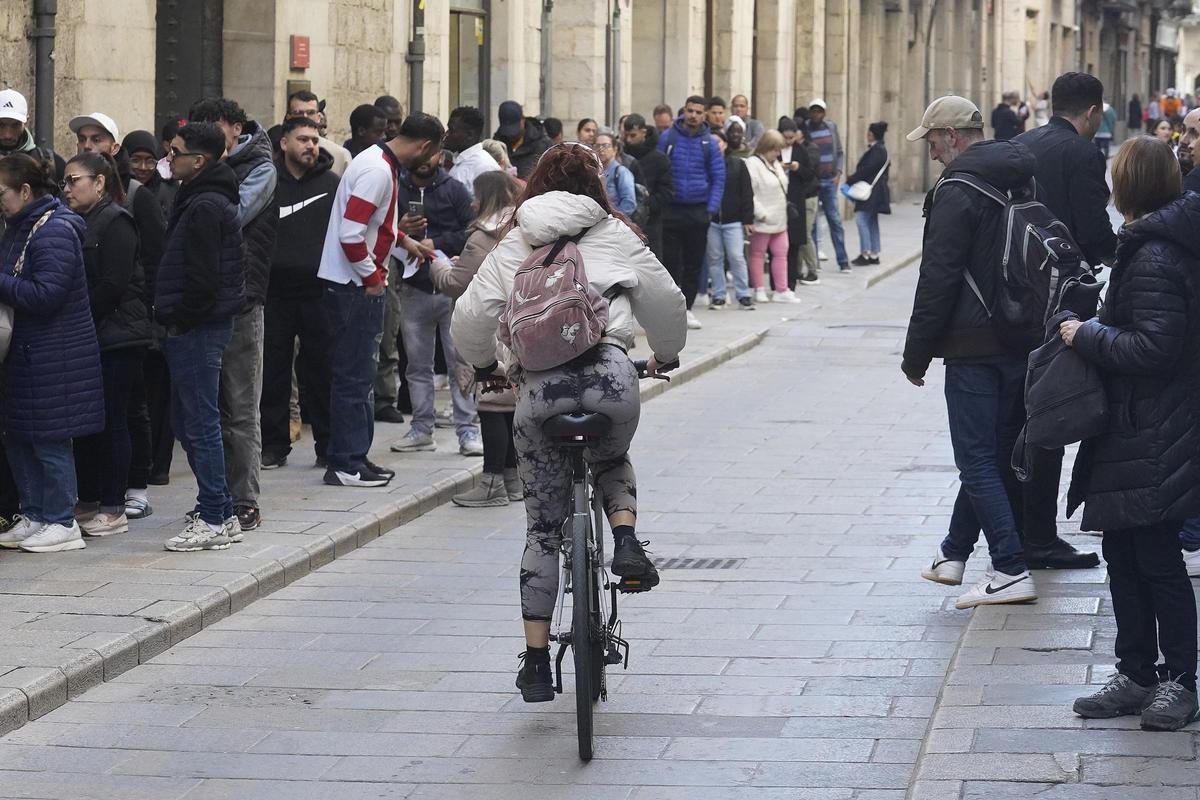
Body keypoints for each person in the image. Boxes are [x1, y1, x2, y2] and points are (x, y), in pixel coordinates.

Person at [450, 142, 687, 702]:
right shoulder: (614, 231)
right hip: (610, 375)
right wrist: (668, 353)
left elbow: (470, 316)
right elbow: (668, 302)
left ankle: (535, 663)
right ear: (597, 184)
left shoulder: (516, 236)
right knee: (611, 455)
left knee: (541, 527)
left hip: (539, 389)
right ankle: (625, 540)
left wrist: (485, 368)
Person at [1063, 136, 1200, 731]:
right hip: (1135, 427)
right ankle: (1137, 671)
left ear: (1127, 188)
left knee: (1155, 557)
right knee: (1122, 551)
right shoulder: (1149, 247)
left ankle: (1179, 680)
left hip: (1155, 428)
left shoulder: (1157, 255)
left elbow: (1156, 347)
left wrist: (1083, 334)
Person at [903, 96, 1038, 609]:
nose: (931, 149)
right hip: (1019, 335)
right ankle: (954, 554)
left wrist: (916, 355)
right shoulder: (1020, 175)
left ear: (952, 135)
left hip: (973, 342)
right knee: (993, 453)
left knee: (976, 458)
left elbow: (937, 278)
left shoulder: (956, 189)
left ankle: (1009, 567)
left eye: (932, 138)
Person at [1014, 72, 1116, 570]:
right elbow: (1095, 227)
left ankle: (1022, 528)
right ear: (1094, 112)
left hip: (1017, 299)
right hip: (1064, 300)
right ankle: (1039, 536)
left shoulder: (1021, 144)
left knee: (1023, 412)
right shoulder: (1082, 153)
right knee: (1053, 410)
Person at [318, 113, 441, 487]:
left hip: (355, 284)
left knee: (360, 376)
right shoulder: (376, 170)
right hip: (355, 287)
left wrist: (406, 243)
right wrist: (373, 279)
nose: (433, 162)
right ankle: (345, 463)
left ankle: (355, 456)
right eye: (434, 153)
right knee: (355, 378)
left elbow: (376, 226)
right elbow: (352, 234)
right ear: (425, 147)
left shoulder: (377, 161)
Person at [0, 154, 103, 553]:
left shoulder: (54, 230)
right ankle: (36, 513)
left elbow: (46, 295)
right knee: (20, 436)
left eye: (2, 193)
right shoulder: (18, 227)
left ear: (25, 191)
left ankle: (61, 520)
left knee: (50, 439)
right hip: (27, 354)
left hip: (54, 355)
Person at [155, 123, 246, 550]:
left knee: (200, 420)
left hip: (198, 327)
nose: (168, 158)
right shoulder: (197, 196)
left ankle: (213, 515)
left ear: (199, 160)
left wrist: (182, 317)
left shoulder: (206, 204)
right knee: (188, 420)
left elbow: (205, 277)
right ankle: (221, 509)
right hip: (193, 325)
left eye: (175, 152)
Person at [189, 97, 278, 533]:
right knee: (211, 408)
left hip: (243, 299)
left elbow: (232, 216)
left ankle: (245, 499)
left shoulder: (259, 167)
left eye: (215, 127)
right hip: (205, 301)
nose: (206, 134)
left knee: (242, 407)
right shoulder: (199, 169)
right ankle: (215, 498)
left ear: (236, 129)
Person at [60, 151, 150, 539]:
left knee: (113, 421)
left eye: (74, 180)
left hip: (118, 337)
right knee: (86, 423)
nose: (66, 189)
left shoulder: (116, 220)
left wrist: (76, 319)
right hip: (93, 335)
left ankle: (114, 507)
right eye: (64, 182)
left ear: (99, 183)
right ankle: (89, 500)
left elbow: (113, 286)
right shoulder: (78, 221)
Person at [430, 171, 524, 505]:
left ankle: (491, 485)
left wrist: (438, 264)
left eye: (475, 195)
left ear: (485, 198)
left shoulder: (481, 238)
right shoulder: (520, 231)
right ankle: (513, 481)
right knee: (507, 406)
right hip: (517, 327)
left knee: (490, 405)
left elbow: (457, 282)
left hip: (486, 329)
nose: (471, 202)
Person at [388, 149, 481, 457]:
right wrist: (403, 231)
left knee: (459, 363)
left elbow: (470, 231)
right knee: (416, 365)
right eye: (421, 153)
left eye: (432, 153)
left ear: (440, 155)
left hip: (451, 288)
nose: (426, 159)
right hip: (414, 287)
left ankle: (467, 430)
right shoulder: (397, 188)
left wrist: (435, 243)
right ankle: (421, 428)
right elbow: (384, 229)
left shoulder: (453, 189)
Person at [260, 115, 337, 471]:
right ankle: (274, 445)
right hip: (274, 294)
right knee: (272, 372)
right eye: (303, 139)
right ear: (284, 143)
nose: (311, 145)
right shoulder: (267, 183)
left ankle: (327, 443)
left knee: (321, 370)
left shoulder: (332, 184)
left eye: (314, 139)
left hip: (319, 292)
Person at [659, 95, 726, 331]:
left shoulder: (710, 143)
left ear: (704, 114)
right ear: (684, 111)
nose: (693, 115)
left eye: (698, 112)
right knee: (670, 263)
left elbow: (718, 178)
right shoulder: (668, 138)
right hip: (672, 210)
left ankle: (686, 309)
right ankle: (670, 310)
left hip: (698, 212)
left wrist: (710, 209)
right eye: (690, 111)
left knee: (693, 263)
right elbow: (660, 169)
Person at [744, 131, 799, 305]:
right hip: (764, 218)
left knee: (781, 252)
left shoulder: (775, 164)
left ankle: (781, 289)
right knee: (758, 254)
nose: (777, 153)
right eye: (775, 150)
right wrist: (760, 213)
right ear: (766, 147)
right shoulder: (753, 164)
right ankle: (758, 288)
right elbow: (749, 192)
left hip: (780, 218)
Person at [705, 128, 754, 310]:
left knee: (736, 256)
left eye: (719, 142)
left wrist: (748, 219)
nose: (716, 145)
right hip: (712, 220)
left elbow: (747, 192)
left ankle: (744, 294)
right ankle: (719, 294)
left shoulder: (737, 164)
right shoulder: (705, 166)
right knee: (715, 258)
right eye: (712, 142)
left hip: (733, 220)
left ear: (725, 144)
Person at [621, 114, 674, 260]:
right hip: (625, 223)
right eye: (627, 135)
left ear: (643, 132)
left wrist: (647, 207)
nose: (629, 140)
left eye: (633, 135)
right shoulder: (622, 157)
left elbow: (666, 192)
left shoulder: (659, 159)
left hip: (651, 223)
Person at [806, 98, 849, 272]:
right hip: (815, 182)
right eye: (813, 111)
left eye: (819, 111)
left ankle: (843, 260)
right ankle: (814, 261)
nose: (816, 114)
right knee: (814, 223)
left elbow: (839, 152)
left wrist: (838, 173)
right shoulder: (807, 130)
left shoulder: (831, 128)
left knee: (835, 221)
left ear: (824, 113)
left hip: (830, 180)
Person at [845, 121, 891, 267]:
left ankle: (865, 253)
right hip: (876, 192)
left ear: (872, 135)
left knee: (861, 220)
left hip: (871, 192)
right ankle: (874, 253)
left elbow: (866, 170)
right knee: (871, 222)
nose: (867, 136)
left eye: (869, 133)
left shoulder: (877, 151)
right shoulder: (880, 149)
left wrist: (851, 180)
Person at [0, 89, 64, 185]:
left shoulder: (50, 162)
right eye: (1, 125)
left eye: (15, 125)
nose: (7, 135)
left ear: (26, 122)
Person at [284, 90, 351, 175]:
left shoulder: (340, 156)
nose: (305, 117)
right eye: (298, 113)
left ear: (318, 117)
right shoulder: (278, 152)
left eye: (310, 113)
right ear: (289, 117)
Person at [121, 130, 177, 220]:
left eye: (150, 161)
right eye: (135, 160)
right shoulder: (114, 191)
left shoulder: (167, 191)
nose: (143, 168)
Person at [446, 106, 500, 195]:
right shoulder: (459, 162)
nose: (447, 134)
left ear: (469, 135)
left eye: (452, 131)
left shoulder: (485, 166)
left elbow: (491, 205)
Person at [494, 101, 551, 180]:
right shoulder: (497, 144)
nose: (511, 136)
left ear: (523, 119)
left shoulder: (542, 144)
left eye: (514, 129)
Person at [594, 128, 636, 216]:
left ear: (615, 149)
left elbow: (629, 203)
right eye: (597, 146)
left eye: (605, 145)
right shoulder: (595, 172)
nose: (601, 149)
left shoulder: (622, 172)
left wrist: (614, 218)